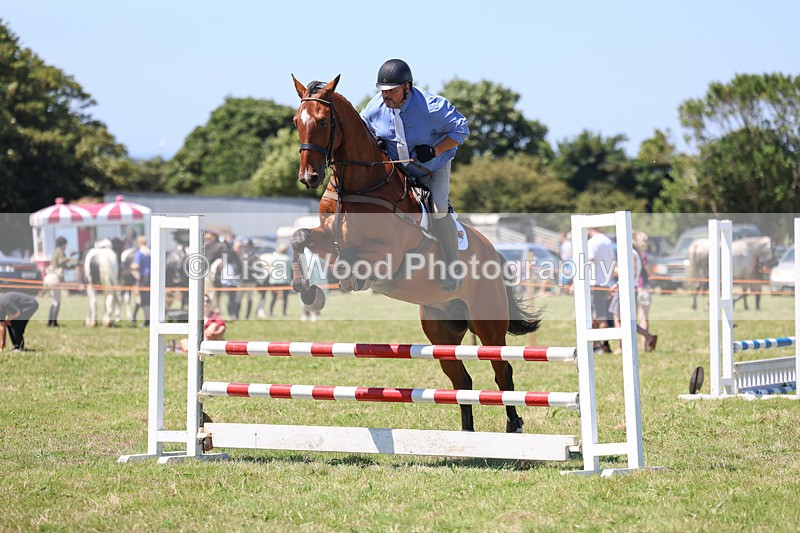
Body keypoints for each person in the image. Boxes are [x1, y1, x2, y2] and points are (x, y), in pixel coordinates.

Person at [360, 59, 470, 292]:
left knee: (438, 210)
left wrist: (435, 150)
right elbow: (362, 128)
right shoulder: (375, 108)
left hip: (432, 169)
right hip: (398, 171)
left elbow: (461, 129)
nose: (386, 96)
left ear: (407, 87)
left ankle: (453, 268)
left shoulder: (432, 107)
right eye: (382, 91)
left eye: (392, 91)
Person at [587, 227, 615, 353]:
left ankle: (603, 346)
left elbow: (589, 261)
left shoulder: (592, 242)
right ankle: (600, 345)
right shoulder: (608, 241)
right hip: (605, 283)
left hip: (594, 283)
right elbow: (612, 262)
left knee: (598, 317)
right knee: (599, 316)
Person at [46, 236, 78, 327]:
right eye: (65, 244)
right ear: (62, 244)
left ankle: (50, 322)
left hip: (49, 277)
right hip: (54, 278)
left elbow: (63, 265)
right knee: (57, 301)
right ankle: (53, 323)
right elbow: (61, 262)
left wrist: (72, 266)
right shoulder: (60, 252)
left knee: (54, 301)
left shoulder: (55, 252)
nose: (66, 246)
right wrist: (70, 258)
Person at [130, 236, 151, 327]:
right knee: (149, 299)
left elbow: (136, 266)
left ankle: (147, 321)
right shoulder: (149, 252)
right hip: (151, 277)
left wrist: (131, 266)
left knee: (144, 300)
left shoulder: (139, 253)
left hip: (144, 277)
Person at [267, 244, 292, 318]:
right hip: (285, 280)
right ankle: (284, 314)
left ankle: (270, 312)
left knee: (274, 297)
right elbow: (292, 268)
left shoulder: (273, 258)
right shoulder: (288, 258)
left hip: (274, 280)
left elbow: (269, 266)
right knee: (285, 298)